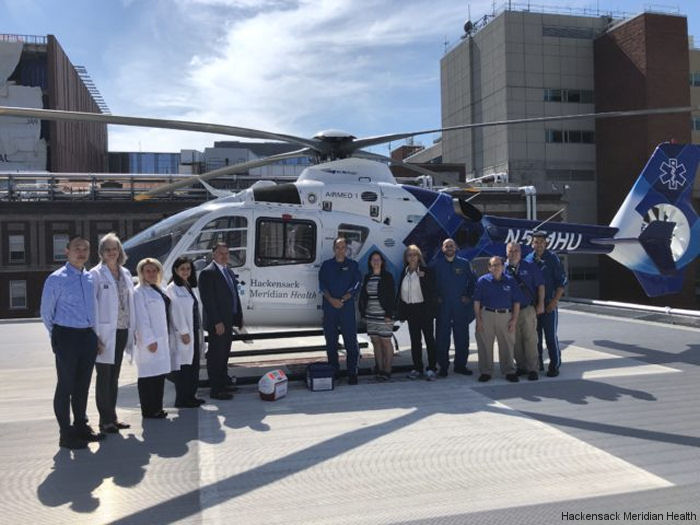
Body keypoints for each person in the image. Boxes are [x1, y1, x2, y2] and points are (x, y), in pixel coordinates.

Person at [41, 235, 104, 449]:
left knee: (82, 385)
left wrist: (94, 335)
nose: (82, 252)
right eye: (77, 248)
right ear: (67, 251)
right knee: (65, 386)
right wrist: (57, 335)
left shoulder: (89, 278)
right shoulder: (56, 278)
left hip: (87, 335)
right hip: (66, 335)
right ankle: (65, 434)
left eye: (85, 248)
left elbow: (93, 309)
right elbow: (46, 312)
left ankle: (81, 426)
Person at [91, 233, 135, 434]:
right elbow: (91, 308)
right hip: (105, 334)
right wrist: (95, 337)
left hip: (122, 329)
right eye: (107, 249)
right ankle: (104, 421)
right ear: (101, 252)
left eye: (114, 248)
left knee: (114, 377)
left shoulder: (125, 273)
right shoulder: (96, 274)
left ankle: (113, 417)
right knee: (104, 377)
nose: (111, 252)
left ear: (120, 251)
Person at [198, 243, 243, 400]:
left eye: (227, 253)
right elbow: (208, 301)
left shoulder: (228, 271)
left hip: (228, 321)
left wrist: (238, 318)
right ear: (213, 255)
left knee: (224, 355)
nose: (224, 256)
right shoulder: (207, 273)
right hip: (218, 323)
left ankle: (224, 382)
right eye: (220, 253)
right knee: (216, 356)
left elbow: (233, 296)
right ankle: (216, 389)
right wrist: (217, 321)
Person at [430, 238, 476, 377]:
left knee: (462, 336)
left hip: (460, 306)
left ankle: (460, 365)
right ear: (442, 249)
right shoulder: (436, 265)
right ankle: (443, 367)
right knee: (442, 338)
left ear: (456, 248)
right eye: (446, 246)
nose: (449, 248)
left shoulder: (464, 264)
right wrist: (435, 298)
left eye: (451, 245)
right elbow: (430, 285)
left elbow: (473, 282)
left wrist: (468, 296)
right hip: (443, 306)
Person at [319, 237, 362, 385]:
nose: (340, 250)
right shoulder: (326, 265)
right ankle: (334, 371)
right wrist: (332, 300)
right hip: (330, 308)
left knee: (351, 342)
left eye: (343, 247)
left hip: (346, 309)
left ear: (346, 249)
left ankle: (352, 373)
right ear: (334, 249)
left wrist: (342, 300)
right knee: (331, 342)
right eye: (338, 247)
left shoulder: (352, 265)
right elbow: (322, 285)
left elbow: (356, 284)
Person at [524, 231, 568, 377]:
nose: (539, 245)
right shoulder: (528, 259)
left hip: (549, 304)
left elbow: (561, 283)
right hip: (533, 306)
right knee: (535, 337)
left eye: (542, 242)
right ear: (532, 244)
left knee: (550, 337)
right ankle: (538, 365)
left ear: (546, 244)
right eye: (536, 242)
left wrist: (554, 302)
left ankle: (554, 365)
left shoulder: (552, 258)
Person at [133, 258, 172, 418]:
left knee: (159, 375)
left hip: (162, 339)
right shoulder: (138, 292)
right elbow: (141, 319)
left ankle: (158, 407)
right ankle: (148, 410)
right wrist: (149, 340)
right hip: (149, 341)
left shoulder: (159, 289)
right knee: (147, 375)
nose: (151, 273)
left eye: (154, 270)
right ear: (141, 273)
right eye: (148, 271)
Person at [473, 256, 521, 383]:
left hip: (505, 316)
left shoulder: (510, 281)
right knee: (484, 344)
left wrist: (514, 320)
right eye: (493, 265)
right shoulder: (482, 281)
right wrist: (478, 319)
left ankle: (509, 371)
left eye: (498, 264)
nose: (496, 267)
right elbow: (477, 301)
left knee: (507, 344)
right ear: (489, 267)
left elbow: (516, 302)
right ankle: (486, 371)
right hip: (487, 314)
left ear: (503, 266)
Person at [166, 257, 205, 408]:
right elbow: (175, 311)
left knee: (194, 365)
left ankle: (191, 396)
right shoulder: (172, 288)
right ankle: (182, 399)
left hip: (194, 330)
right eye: (182, 269)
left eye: (188, 269)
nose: (185, 271)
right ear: (176, 270)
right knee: (184, 367)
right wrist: (183, 331)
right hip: (183, 334)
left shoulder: (190, 286)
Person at [396, 245, 438, 381]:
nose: (412, 257)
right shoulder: (404, 272)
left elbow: (433, 291)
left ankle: (432, 368)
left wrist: (424, 277)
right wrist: (401, 313)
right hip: (411, 310)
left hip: (424, 310)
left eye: (415, 254)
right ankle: (418, 368)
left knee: (429, 340)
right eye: (409, 255)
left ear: (419, 257)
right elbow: (401, 293)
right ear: (406, 258)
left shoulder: (426, 271)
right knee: (415, 341)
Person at [505, 241, 545, 381]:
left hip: (527, 309)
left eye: (516, 250)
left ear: (521, 253)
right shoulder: (502, 268)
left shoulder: (530, 266)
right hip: (509, 312)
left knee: (530, 339)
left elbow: (540, 286)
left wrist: (540, 304)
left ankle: (533, 369)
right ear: (506, 253)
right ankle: (521, 367)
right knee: (515, 341)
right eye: (511, 250)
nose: (513, 253)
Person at [359, 251, 396, 381]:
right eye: (373, 259)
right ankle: (379, 369)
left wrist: (388, 314)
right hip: (371, 314)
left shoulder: (387, 277)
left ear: (382, 262)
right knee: (376, 342)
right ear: (370, 262)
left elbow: (392, 296)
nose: (376, 261)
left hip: (384, 314)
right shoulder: (367, 277)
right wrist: (363, 312)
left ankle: (387, 370)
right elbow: (364, 296)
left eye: (378, 259)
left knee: (386, 341)